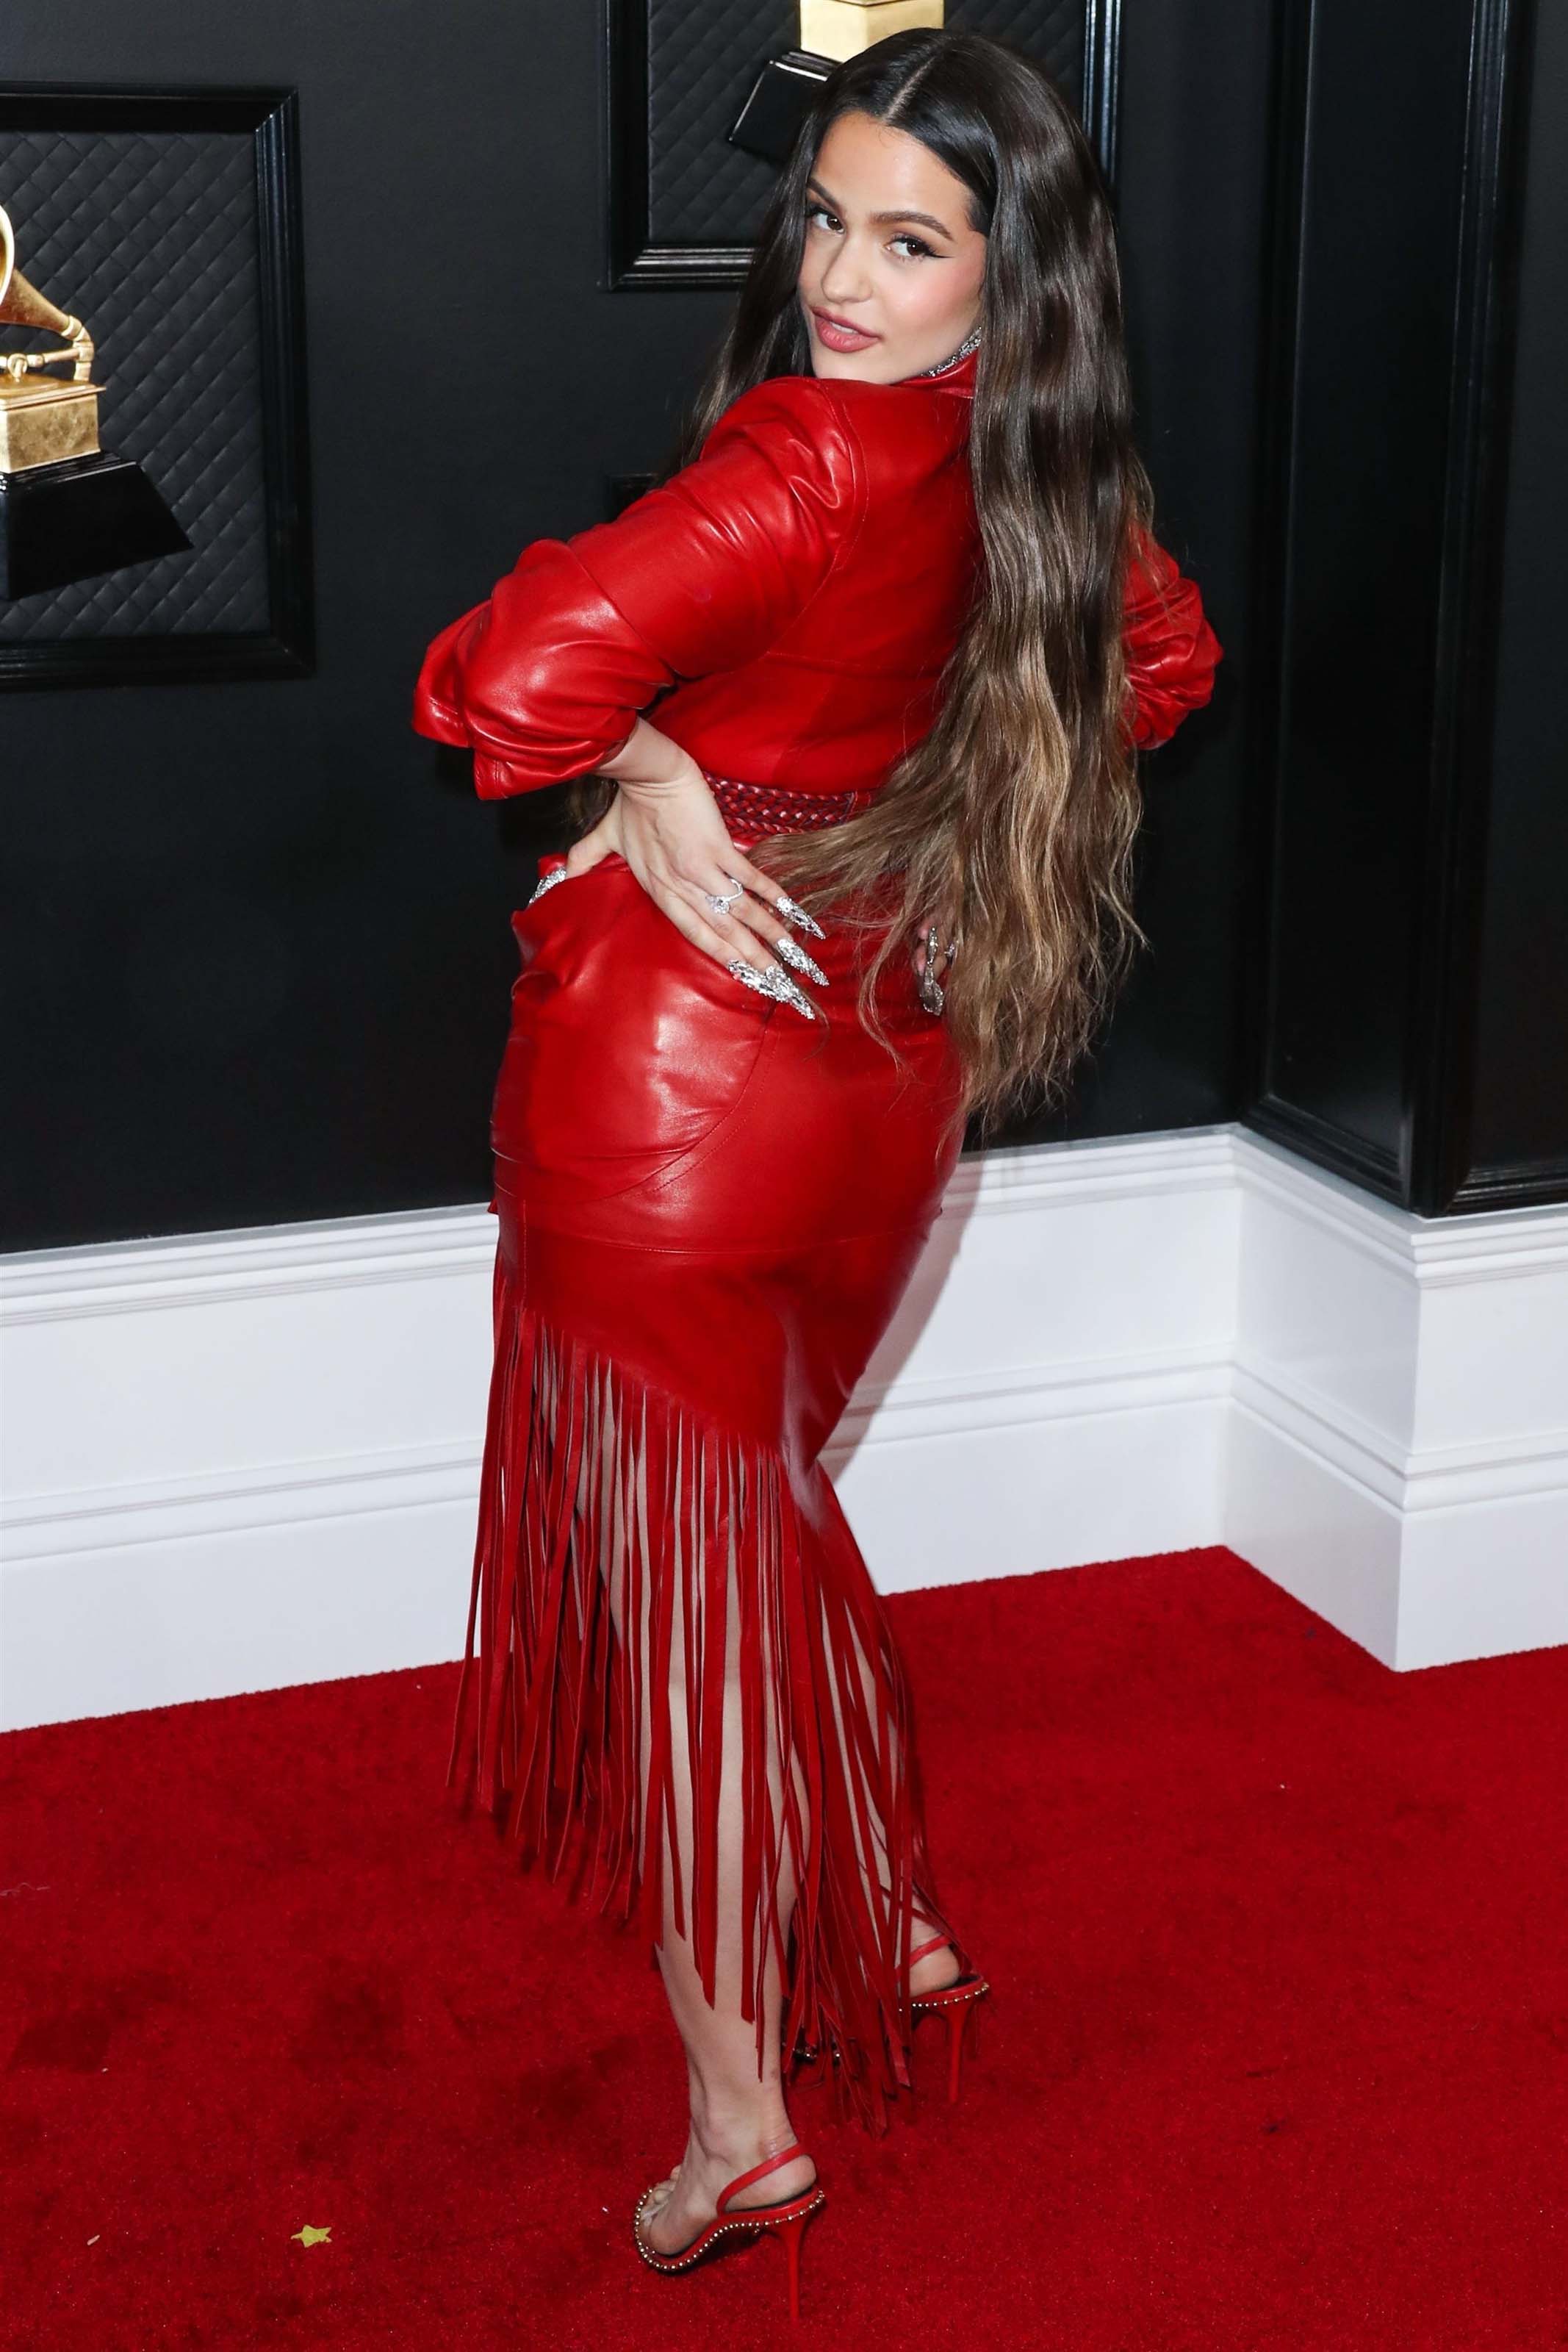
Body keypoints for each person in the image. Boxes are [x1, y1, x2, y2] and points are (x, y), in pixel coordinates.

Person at [412, 26, 1220, 2317]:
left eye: (910, 240)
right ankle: (899, 1907)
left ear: (1005, 268)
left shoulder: (801, 458)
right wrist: (849, 790)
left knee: (687, 1626)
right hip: (879, 1086)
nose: (842, 279)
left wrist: (644, 765)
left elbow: (493, 681)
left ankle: (737, 2127)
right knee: (761, 1515)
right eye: (826, 219)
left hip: (668, 1114)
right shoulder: (1042, 459)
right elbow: (1159, 668)